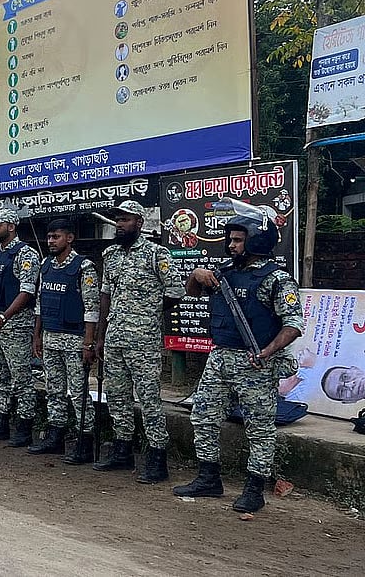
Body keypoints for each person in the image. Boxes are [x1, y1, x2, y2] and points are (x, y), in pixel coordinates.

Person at [173, 207, 303, 513]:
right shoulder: (224, 274)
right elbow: (190, 293)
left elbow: (293, 324)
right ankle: (208, 477)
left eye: (238, 240)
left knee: (259, 428)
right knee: (203, 417)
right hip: (219, 359)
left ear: (257, 241)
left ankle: (254, 489)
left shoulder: (277, 280)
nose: (231, 245)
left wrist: (267, 352)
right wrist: (195, 274)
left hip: (255, 364)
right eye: (230, 239)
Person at [94, 200, 183, 482]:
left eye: (126, 219)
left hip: (143, 341)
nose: (120, 224)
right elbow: (105, 293)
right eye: (118, 219)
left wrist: (148, 311)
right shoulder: (110, 254)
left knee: (148, 400)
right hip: (114, 336)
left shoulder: (157, 254)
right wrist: (100, 336)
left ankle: (157, 457)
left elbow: (176, 290)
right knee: (118, 397)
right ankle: (122, 451)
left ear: (139, 223)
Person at [30, 218, 100, 460]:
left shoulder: (84, 267)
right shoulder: (46, 265)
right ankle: (55, 434)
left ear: (69, 238)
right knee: (54, 389)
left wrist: (88, 343)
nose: (51, 241)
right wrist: (37, 336)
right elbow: (40, 304)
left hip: (74, 340)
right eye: (49, 237)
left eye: (56, 237)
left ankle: (85, 439)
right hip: (50, 337)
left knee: (79, 392)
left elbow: (92, 308)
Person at [0, 209, 41, 446]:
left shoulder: (25, 254)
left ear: (11, 226)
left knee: (20, 376)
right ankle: (0, 421)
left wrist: (5, 316)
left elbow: (26, 291)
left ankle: (24, 426)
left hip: (16, 322)